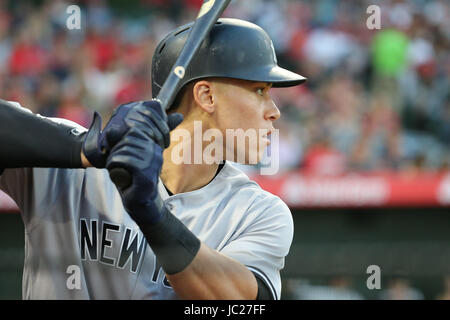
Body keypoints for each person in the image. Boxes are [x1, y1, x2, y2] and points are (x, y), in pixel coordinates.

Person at [0, 18, 306, 299]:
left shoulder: (257, 212)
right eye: (260, 90)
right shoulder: (71, 167)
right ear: (207, 96)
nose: (273, 110)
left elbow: (243, 303)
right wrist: (89, 146)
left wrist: (154, 217)